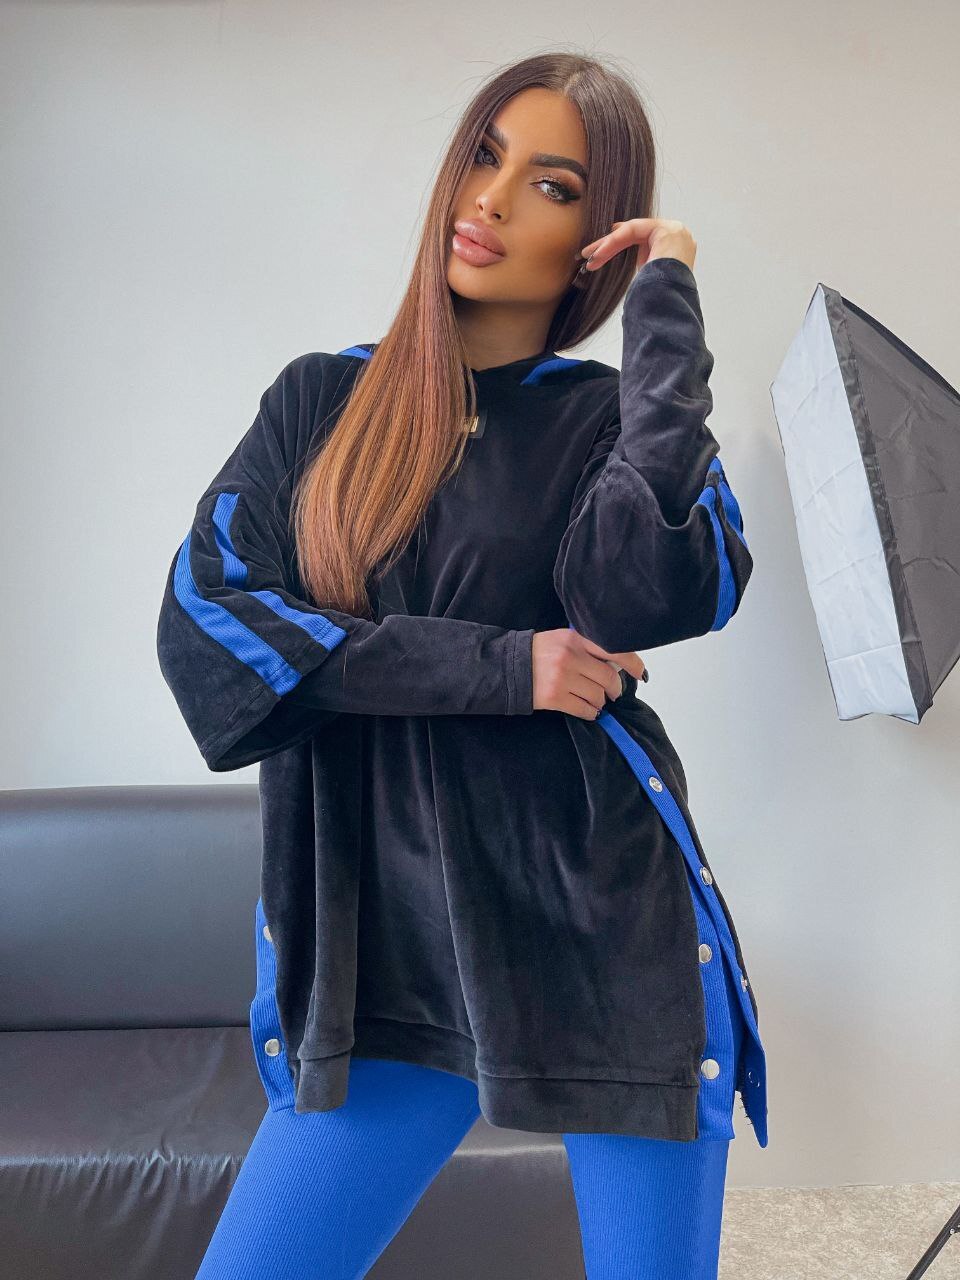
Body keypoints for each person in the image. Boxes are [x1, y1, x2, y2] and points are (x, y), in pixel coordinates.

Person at [158, 50, 768, 1280]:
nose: (489, 199)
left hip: (607, 929)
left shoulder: (611, 417)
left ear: (595, 238)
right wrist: (499, 666)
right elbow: (207, 626)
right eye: (484, 156)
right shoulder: (321, 402)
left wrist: (667, 300)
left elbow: (653, 589)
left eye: (552, 184)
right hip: (385, 945)